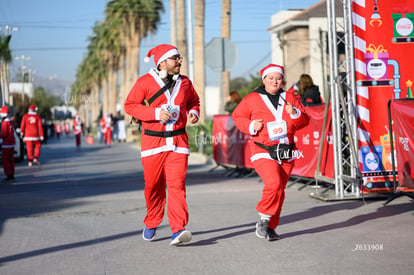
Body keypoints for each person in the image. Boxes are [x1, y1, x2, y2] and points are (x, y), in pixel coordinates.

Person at [124, 44, 200, 246]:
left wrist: (194, 112)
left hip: (178, 143)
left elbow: (194, 101)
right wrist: (155, 113)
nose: (179, 61)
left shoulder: (185, 83)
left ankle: (178, 230)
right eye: (175, 58)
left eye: (179, 58)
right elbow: (130, 105)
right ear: (162, 62)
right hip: (153, 144)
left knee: (177, 187)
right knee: (153, 187)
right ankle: (152, 221)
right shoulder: (145, 82)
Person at [232, 64, 309, 241]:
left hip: (286, 151)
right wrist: (251, 125)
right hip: (262, 149)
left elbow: (304, 121)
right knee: (273, 183)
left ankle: (271, 227)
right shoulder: (252, 98)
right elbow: (238, 116)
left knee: (279, 191)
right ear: (264, 79)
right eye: (271, 78)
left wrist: (295, 112)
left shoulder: (290, 97)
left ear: (282, 80)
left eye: (278, 78)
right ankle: (264, 219)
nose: (275, 81)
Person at [0, 106, 16, 183]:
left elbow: (4, 134)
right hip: (12, 142)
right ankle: (12, 174)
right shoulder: (11, 121)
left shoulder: (4, 123)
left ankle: (8, 174)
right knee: (11, 159)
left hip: (6, 143)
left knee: (5, 159)